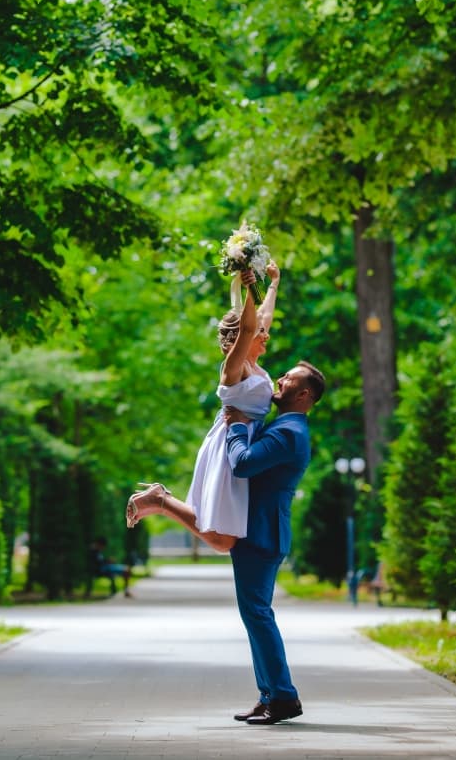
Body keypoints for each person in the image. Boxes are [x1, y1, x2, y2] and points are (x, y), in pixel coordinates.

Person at [125, 262, 281, 552]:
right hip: (228, 448)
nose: (266, 334)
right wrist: (250, 288)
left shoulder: (254, 366)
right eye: (261, 332)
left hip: (246, 445)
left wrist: (273, 284)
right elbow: (249, 326)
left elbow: (263, 318)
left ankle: (162, 500)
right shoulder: (235, 370)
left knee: (228, 536)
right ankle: (161, 501)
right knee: (222, 540)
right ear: (240, 341)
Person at [224, 359, 326, 725]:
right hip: (262, 532)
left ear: (303, 395)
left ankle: (282, 697)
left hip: (262, 534)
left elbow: (244, 464)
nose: (279, 380)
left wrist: (235, 426)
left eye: (288, 379)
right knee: (255, 615)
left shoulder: (289, 432)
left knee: (257, 615)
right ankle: (270, 695)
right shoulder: (286, 426)